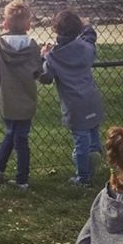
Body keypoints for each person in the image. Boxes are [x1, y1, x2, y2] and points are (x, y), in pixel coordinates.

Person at [0, 0, 42, 190]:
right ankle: (22, 178)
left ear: (5, 23)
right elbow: (38, 71)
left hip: (6, 98)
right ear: (29, 25)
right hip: (26, 98)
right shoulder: (32, 47)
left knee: (10, 133)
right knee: (22, 137)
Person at [40, 9, 103, 186]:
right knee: (92, 132)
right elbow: (90, 36)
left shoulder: (54, 56)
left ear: (55, 30)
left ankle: (83, 177)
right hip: (91, 98)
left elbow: (45, 78)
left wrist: (42, 56)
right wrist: (85, 25)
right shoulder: (85, 48)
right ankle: (95, 152)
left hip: (74, 104)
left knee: (80, 139)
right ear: (78, 28)